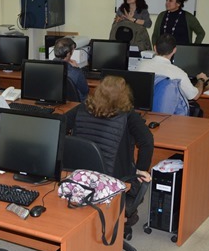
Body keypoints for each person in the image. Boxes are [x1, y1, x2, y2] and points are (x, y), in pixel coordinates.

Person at [65, 75, 154, 227]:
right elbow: (147, 141)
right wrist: (141, 169)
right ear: (125, 94)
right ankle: (123, 217)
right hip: (114, 178)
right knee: (138, 181)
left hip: (81, 176)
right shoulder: (128, 115)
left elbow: (60, 126)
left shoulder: (82, 108)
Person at [139, 34, 208, 102]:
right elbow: (195, 96)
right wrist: (201, 80)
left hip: (142, 112)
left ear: (155, 48)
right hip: (166, 113)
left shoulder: (141, 66)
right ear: (174, 50)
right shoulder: (179, 74)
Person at [53, 37, 89, 102]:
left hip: (57, 103)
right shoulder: (76, 72)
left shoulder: (48, 68)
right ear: (68, 53)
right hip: (76, 106)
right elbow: (85, 90)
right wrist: (77, 68)